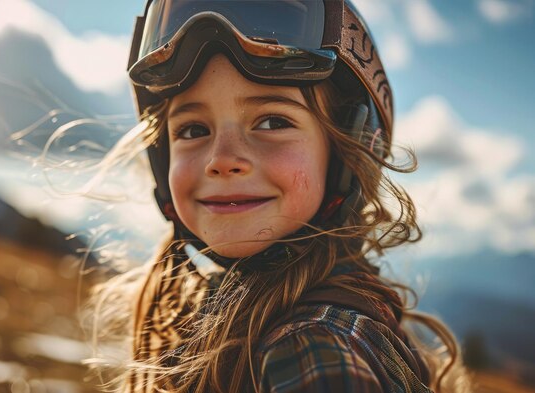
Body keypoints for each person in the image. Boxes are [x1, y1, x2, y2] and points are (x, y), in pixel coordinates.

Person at [86, 1, 472, 392]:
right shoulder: (251, 318)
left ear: (347, 154)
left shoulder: (314, 346)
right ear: (160, 158)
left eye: (272, 122)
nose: (221, 161)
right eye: (191, 130)